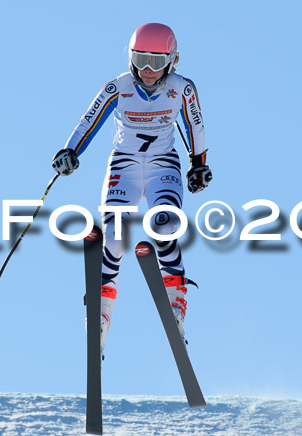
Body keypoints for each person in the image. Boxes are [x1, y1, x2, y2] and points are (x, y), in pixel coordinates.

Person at [51, 23, 212, 356]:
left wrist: (199, 165)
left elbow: (195, 124)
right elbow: (89, 120)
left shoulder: (181, 89)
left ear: (172, 60)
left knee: (165, 227)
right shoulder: (119, 87)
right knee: (115, 237)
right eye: (140, 60)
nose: (147, 71)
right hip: (123, 166)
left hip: (162, 166)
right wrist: (70, 151)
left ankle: (175, 303)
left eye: (156, 62)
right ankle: (100, 315)